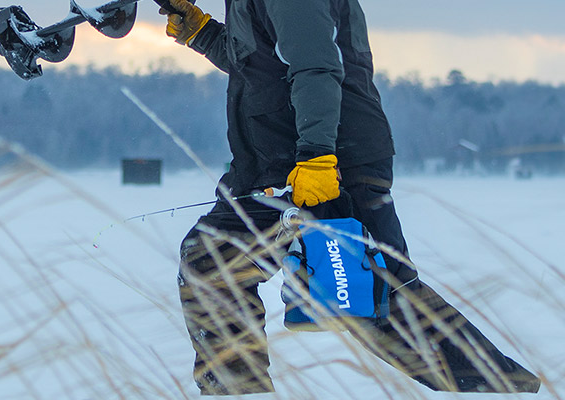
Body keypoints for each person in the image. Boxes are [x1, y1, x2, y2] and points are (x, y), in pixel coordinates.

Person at [159, 0, 542, 395]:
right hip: (276, 161)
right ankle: (236, 391)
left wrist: (318, 156)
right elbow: (262, 62)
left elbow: (316, 64)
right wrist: (204, 33)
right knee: (213, 262)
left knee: (378, 297)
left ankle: (500, 389)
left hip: (325, 159)